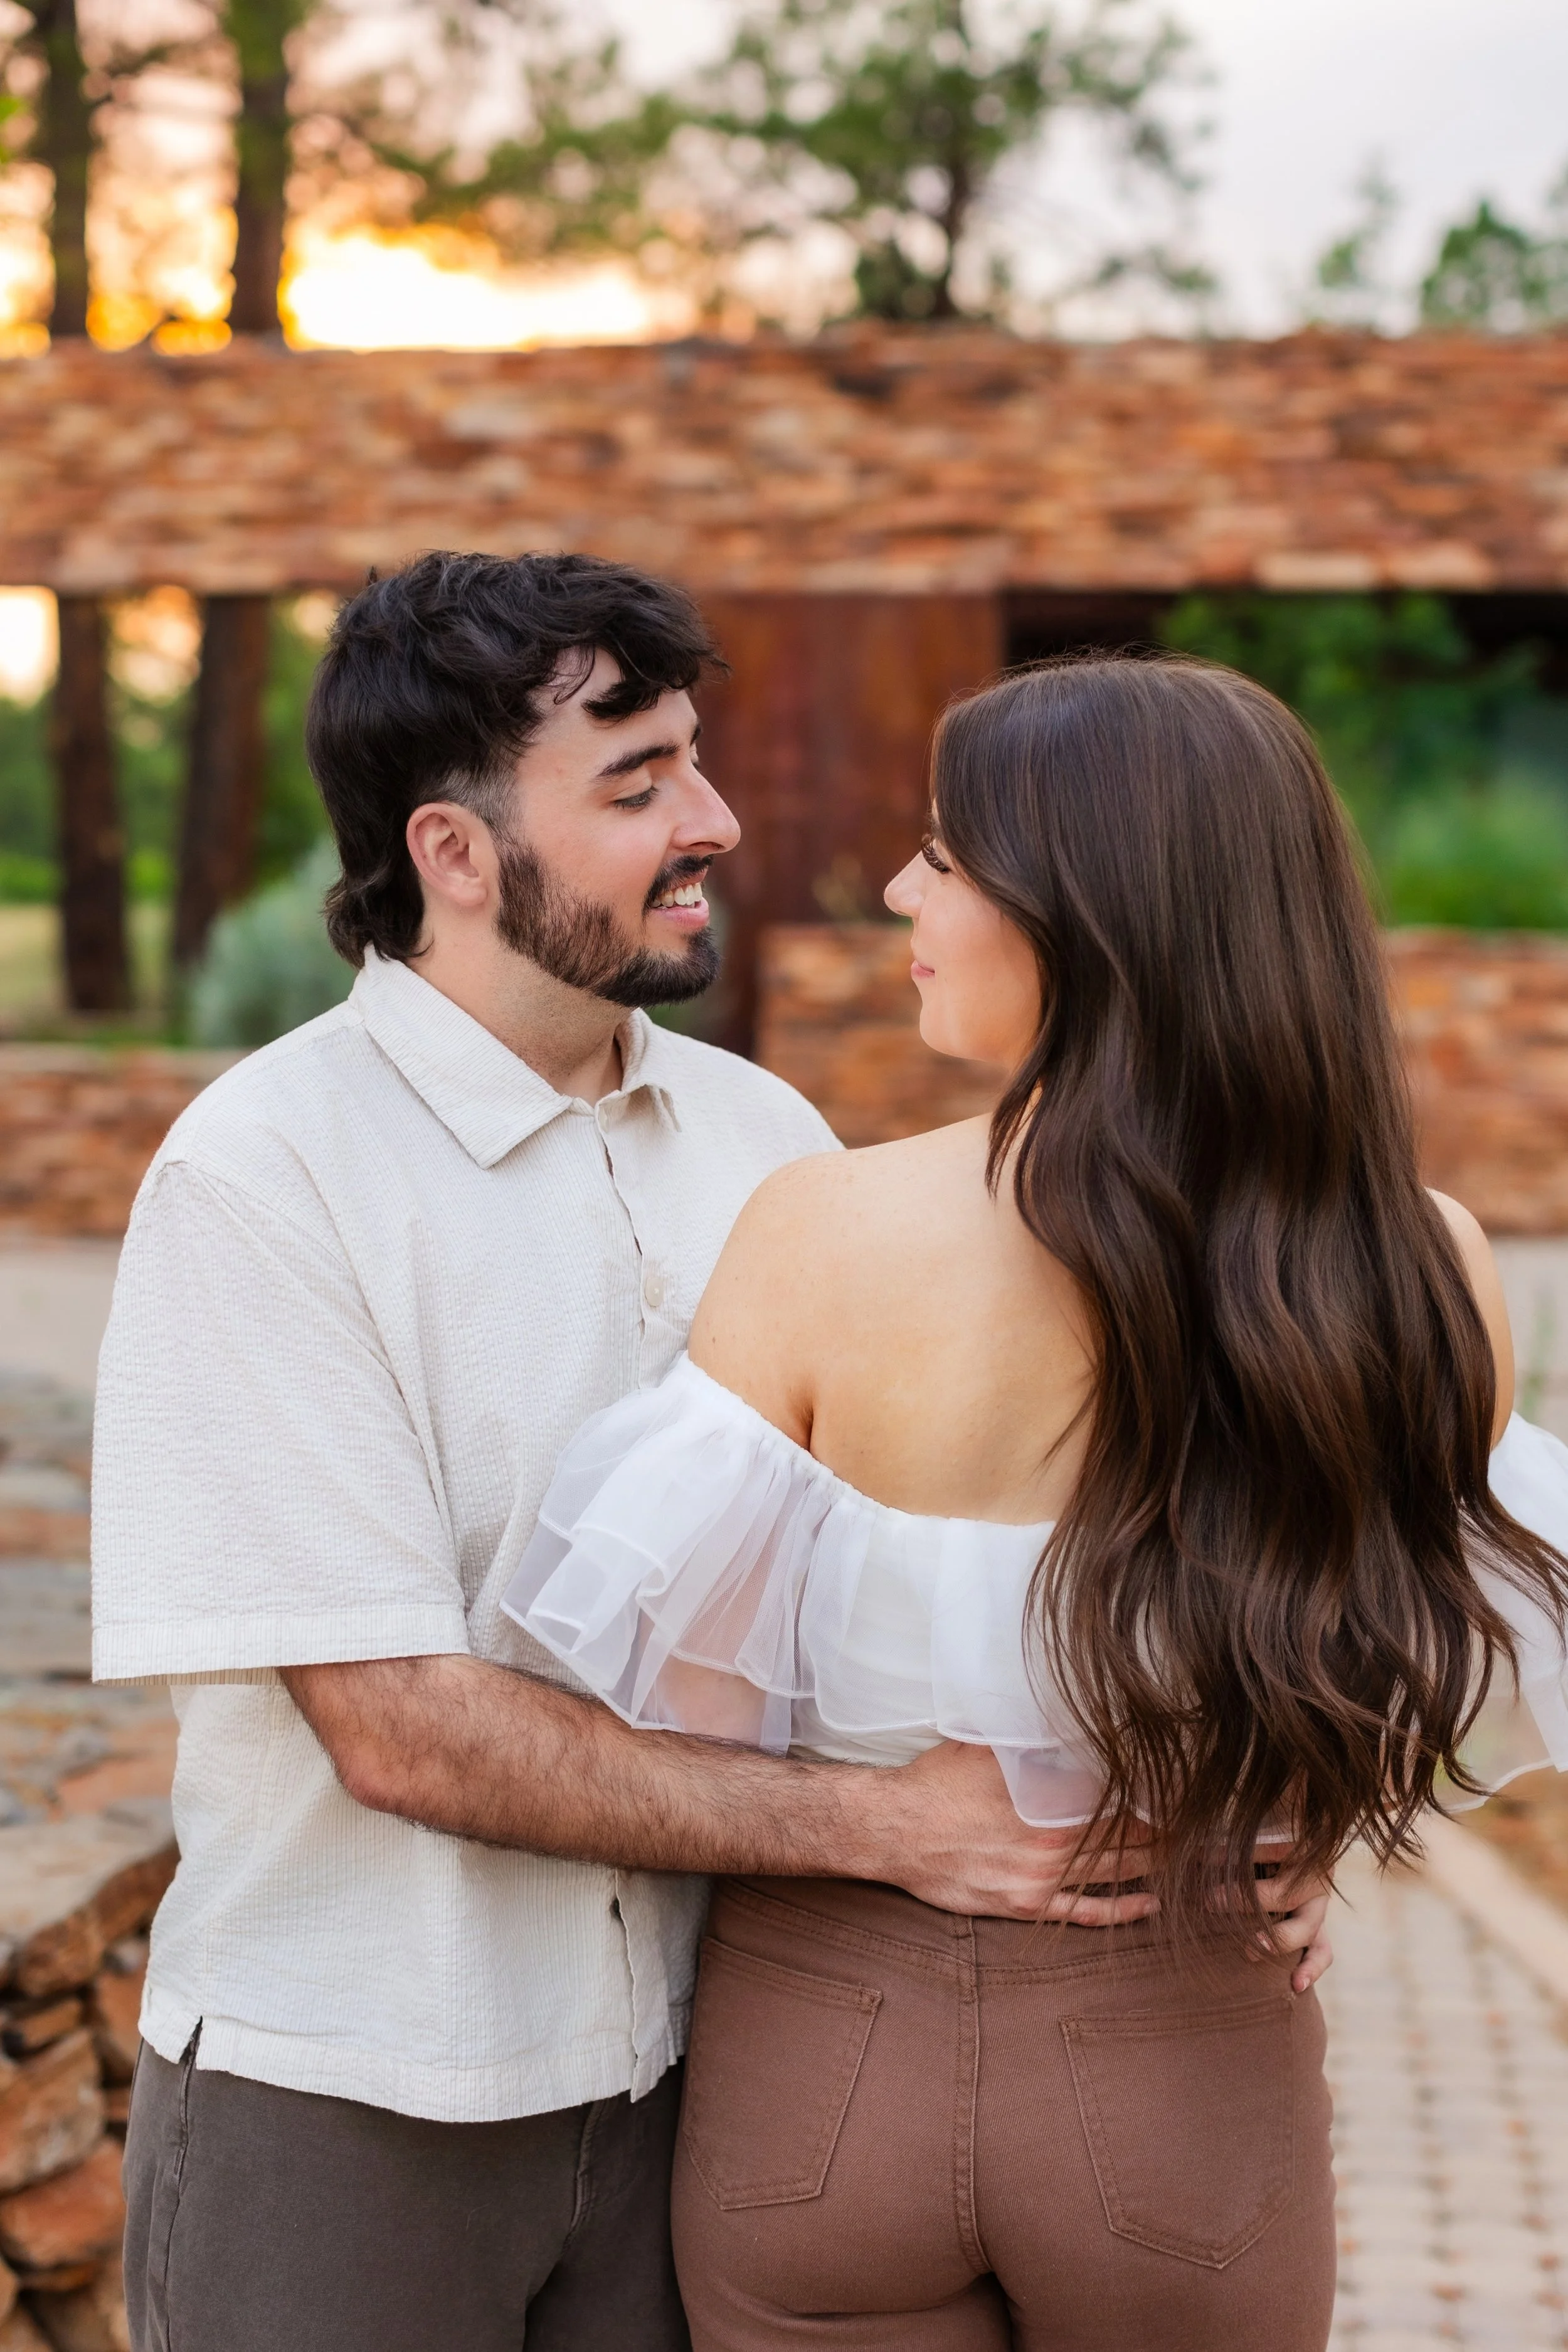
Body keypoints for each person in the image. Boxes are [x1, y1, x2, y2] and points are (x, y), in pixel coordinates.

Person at [98, 558, 1328, 2352]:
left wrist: (1244, 1812)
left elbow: (942, 1571)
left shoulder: (771, 1143)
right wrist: (883, 1827)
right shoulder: (264, 1173)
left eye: (694, 760)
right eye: (636, 785)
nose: (717, 821)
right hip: (358, 2096)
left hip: (701, 2071)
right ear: (452, 853)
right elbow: (393, 1720)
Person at [503, 652, 1568, 2352]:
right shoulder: (1416, 1264)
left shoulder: (814, 1232)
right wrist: (1303, 1838)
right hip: (1184, 2062)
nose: (896, 887)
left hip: (822, 2063)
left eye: (944, 852)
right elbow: (1409, 1658)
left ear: (1091, 907)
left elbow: (686, 1712)